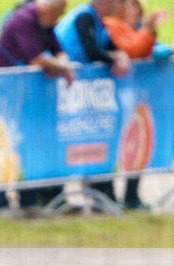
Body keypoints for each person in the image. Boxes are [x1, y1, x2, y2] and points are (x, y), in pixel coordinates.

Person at [0, 0, 76, 213]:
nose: (59, 19)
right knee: (6, 142)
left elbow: (58, 50)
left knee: (32, 142)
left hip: (27, 96)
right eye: (59, 14)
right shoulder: (23, 20)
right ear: (51, 10)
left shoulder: (45, 22)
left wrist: (60, 63)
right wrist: (61, 67)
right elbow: (36, 59)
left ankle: (33, 196)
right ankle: (1, 200)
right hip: (5, 94)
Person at [102, 0, 174, 210]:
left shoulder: (139, 29)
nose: (131, 11)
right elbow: (135, 50)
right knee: (111, 145)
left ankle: (131, 195)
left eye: (135, 8)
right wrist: (152, 33)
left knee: (136, 143)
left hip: (137, 98)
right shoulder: (111, 26)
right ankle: (107, 196)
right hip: (114, 98)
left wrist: (163, 44)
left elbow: (152, 50)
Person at [57, 0, 132, 206]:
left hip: (83, 92)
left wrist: (120, 55)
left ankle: (102, 193)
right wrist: (116, 57)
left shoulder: (99, 21)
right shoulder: (85, 16)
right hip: (69, 91)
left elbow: (108, 46)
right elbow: (92, 51)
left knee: (97, 139)